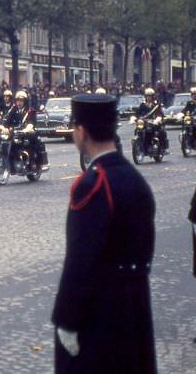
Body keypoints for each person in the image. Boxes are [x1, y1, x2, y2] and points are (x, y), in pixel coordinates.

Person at [53, 93, 156, 373]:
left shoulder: (93, 184)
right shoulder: (135, 180)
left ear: (81, 132)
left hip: (101, 311)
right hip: (135, 304)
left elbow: (79, 260)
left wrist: (67, 319)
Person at [4, 90, 40, 170]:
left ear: (25, 101)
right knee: (9, 141)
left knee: (30, 140)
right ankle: (13, 160)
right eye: (17, 100)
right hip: (16, 132)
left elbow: (31, 122)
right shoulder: (14, 109)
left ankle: (32, 161)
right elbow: (7, 119)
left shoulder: (30, 111)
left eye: (21, 100)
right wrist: (2, 127)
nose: (19, 103)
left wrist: (28, 128)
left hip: (27, 132)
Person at [137, 87, 168, 153]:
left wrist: (157, 119)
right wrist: (135, 118)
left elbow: (160, 114)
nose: (148, 98)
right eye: (147, 96)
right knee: (137, 130)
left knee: (159, 132)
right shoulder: (142, 105)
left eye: (150, 96)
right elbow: (138, 113)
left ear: (153, 96)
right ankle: (141, 145)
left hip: (154, 123)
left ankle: (162, 148)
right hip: (145, 123)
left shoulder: (156, 105)